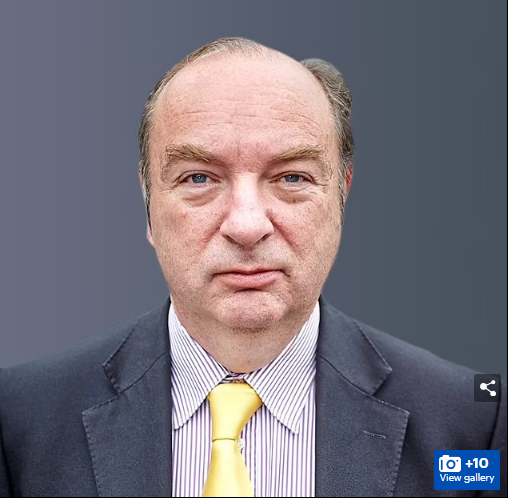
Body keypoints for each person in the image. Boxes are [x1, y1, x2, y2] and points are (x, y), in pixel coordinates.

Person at [0, 37, 505, 498]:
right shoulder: (18, 419)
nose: (246, 225)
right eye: (199, 178)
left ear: (341, 197)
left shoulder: (471, 421)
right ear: (148, 202)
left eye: (292, 177)